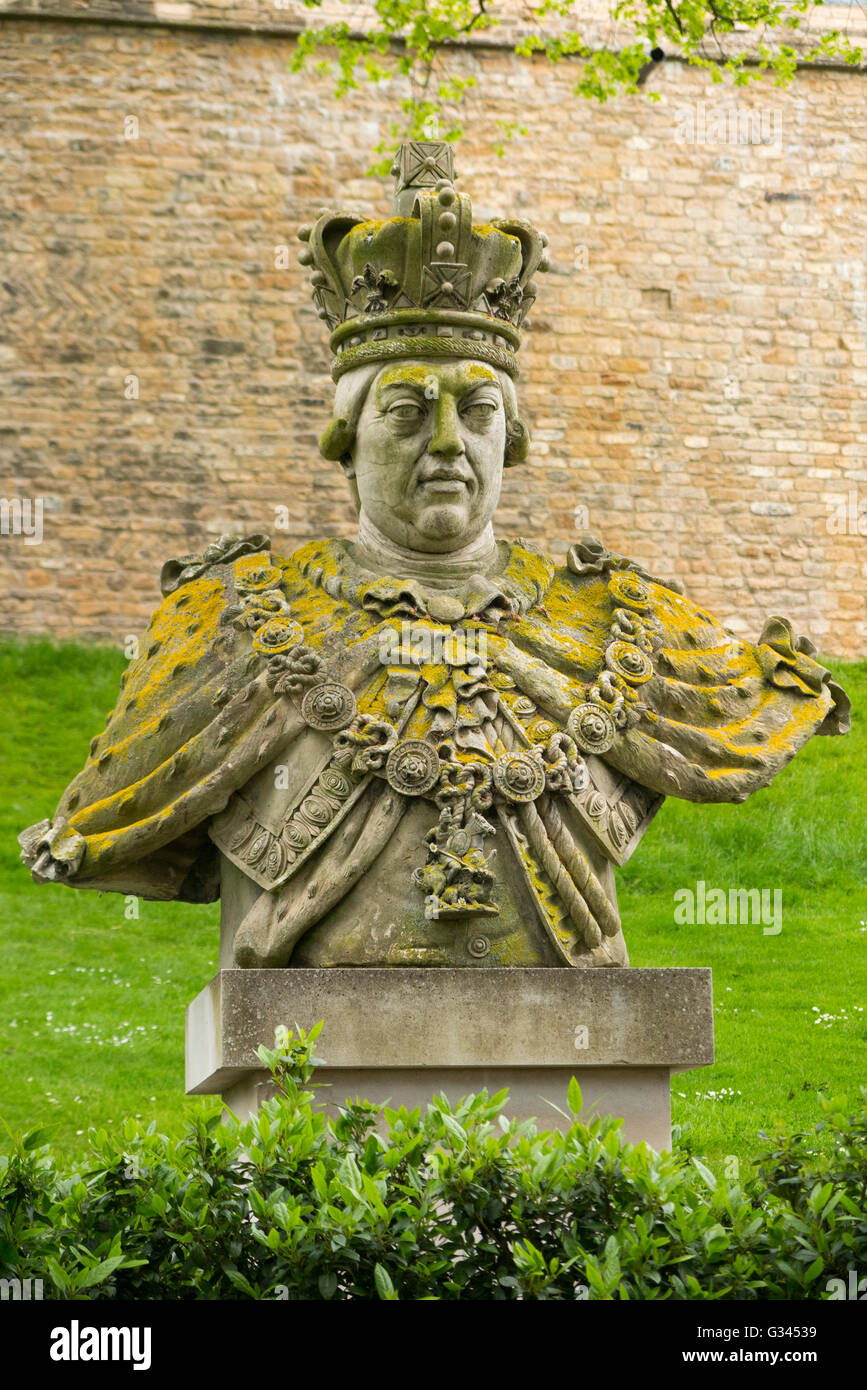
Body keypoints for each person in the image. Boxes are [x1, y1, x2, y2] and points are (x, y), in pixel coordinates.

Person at [19, 141, 849, 970]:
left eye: (478, 411)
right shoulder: (234, 619)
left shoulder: (623, 626)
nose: (448, 443)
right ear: (346, 443)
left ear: (510, 439)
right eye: (408, 412)